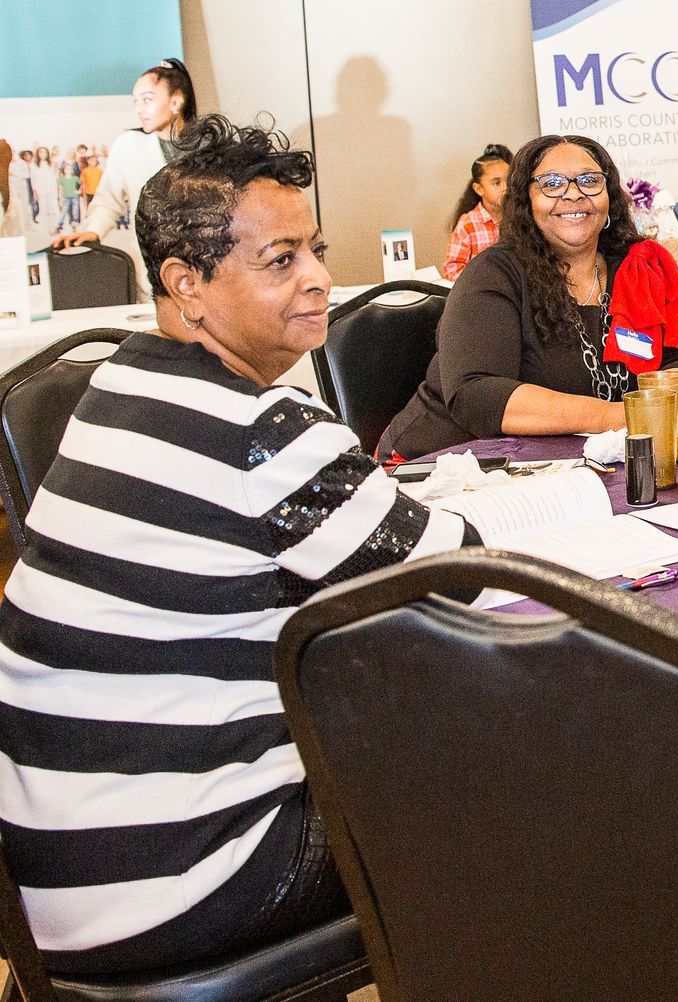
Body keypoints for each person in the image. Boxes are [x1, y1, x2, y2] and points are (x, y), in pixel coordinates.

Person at [0, 116, 480, 976]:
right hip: (182, 878)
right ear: (186, 283)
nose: (320, 280)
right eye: (281, 259)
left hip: (59, 876)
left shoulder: (113, 388)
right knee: (521, 780)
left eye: (315, 250)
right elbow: (462, 571)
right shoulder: (261, 426)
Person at [384, 134, 678, 459]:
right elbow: (477, 395)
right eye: (552, 184)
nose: (574, 195)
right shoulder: (493, 274)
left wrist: (676, 396)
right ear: (525, 201)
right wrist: (621, 416)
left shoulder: (639, 267)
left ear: (610, 196)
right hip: (445, 464)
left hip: (588, 460)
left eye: (590, 181)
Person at [52, 58, 199, 291]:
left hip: (207, 270)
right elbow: (108, 200)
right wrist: (94, 231)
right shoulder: (129, 145)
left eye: (147, 100)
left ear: (176, 101)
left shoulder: (209, 146)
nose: (139, 109)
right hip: (155, 275)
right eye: (136, 102)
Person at [444, 141, 513, 281]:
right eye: (496, 182)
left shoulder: (519, 218)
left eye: (508, 180)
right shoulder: (468, 224)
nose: (505, 187)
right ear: (479, 189)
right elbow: (452, 270)